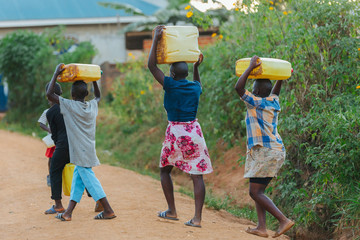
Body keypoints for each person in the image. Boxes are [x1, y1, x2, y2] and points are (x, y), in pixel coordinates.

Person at [148, 25, 213, 228]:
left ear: (173, 74)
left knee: (165, 171)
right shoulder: (195, 88)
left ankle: (172, 210)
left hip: (176, 133)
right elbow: (198, 83)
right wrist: (196, 67)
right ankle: (197, 218)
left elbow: (151, 66)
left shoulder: (170, 84)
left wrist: (156, 39)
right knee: (197, 176)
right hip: (194, 132)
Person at [234, 55, 295, 238]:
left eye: (253, 88)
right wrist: (281, 77)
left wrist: (251, 66)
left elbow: (238, 87)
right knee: (258, 190)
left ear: (258, 90)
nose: (251, 90)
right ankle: (261, 227)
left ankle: (283, 220)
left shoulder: (255, 102)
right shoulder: (273, 101)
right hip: (275, 151)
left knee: (255, 191)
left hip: (264, 152)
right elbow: (275, 91)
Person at [47, 64, 115, 221]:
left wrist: (56, 72)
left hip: (80, 150)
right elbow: (98, 97)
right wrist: (94, 79)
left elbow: (50, 94)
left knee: (89, 178)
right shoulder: (92, 106)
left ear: (71, 94)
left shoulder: (70, 106)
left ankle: (108, 209)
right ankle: (68, 213)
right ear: (87, 93)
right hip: (87, 148)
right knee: (78, 180)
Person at [44, 82, 70, 214]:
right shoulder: (70, 105)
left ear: (48, 96)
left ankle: (58, 205)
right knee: (83, 171)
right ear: (61, 93)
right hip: (76, 144)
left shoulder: (51, 112)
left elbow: (54, 135)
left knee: (54, 171)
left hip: (62, 145)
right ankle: (98, 200)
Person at [38, 101, 55, 187]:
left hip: (62, 139)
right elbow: (41, 123)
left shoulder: (63, 110)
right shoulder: (47, 112)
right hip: (52, 140)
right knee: (51, 159)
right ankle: (51, 176)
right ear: (48, 100)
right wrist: (49, 130)